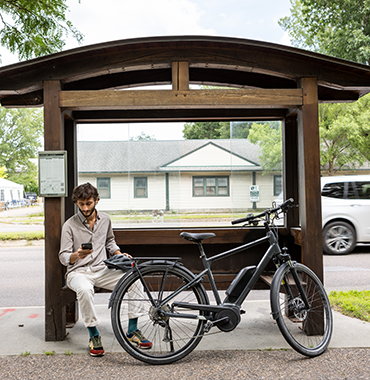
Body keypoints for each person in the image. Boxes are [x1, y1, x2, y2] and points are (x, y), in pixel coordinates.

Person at [59, 182, 152, 356]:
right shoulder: (69, 225)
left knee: (135, 280)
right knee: (85, 290)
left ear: (96, 200)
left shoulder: (106, 219)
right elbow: (63, 256)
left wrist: (119, 253)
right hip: (78, 272)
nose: (85, 208)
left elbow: (109, 241)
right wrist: (76, 255)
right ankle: (93, 334)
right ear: (76, 203)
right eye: (81, 204)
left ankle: (132, 329)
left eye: (89, 203)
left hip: (102, 269)